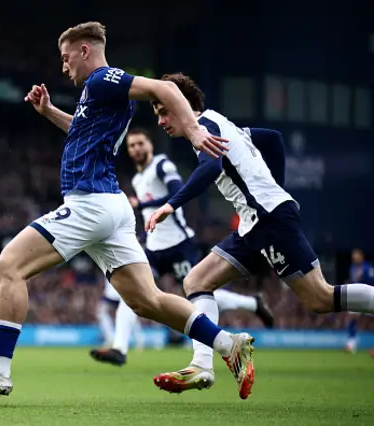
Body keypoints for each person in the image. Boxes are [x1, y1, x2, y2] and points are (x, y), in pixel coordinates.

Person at [0, 22, 256, 400]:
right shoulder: (98, 96)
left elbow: (166, 88)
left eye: (65, 58)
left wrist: (192, 130)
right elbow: (80, 131)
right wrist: (48, 112)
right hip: (111, 206)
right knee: (148, 301)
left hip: (89, 202)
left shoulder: (101, 80)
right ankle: (228, 344)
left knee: (9, 266)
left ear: (84, 51)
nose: (64, 68)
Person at [145, 72, 374, 395]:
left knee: (320, 298)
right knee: (196, 282)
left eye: (164, 110)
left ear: (184, 105)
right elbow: (273, 139)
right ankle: (202, 365)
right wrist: (275, 186)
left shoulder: (206, 126)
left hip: (269, 219)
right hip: (255, 222)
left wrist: (171, 204)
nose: (161, 120)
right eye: (157, 114)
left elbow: (210, 168)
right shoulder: (226, 126)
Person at [90, 128, 274, 367]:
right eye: (132, 145)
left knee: (198, 294)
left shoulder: (162, 165)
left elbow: (177, 191)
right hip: (154, 248)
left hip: (178, 245)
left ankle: (253, 304)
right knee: (134, 289)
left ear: (150, 145)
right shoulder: (138, 178)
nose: (136, 149)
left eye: (140, 143)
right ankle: (119, 348)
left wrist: (143, 203)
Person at [96, 277, 145, 351]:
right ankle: (110, 338)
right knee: (100, 313)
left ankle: (139, 340)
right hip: (110, 295)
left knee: (130, 317)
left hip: (124, 294)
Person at [344, 249, 374, 353]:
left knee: (371, 321)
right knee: (352, 318)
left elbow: (371, 282)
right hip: (357, 297)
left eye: (356, 255)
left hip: (368, 296)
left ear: (361, 256)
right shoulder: (352, 268)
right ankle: (351, 344)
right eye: (353, 255)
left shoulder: (367, 268)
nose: (354, 257)